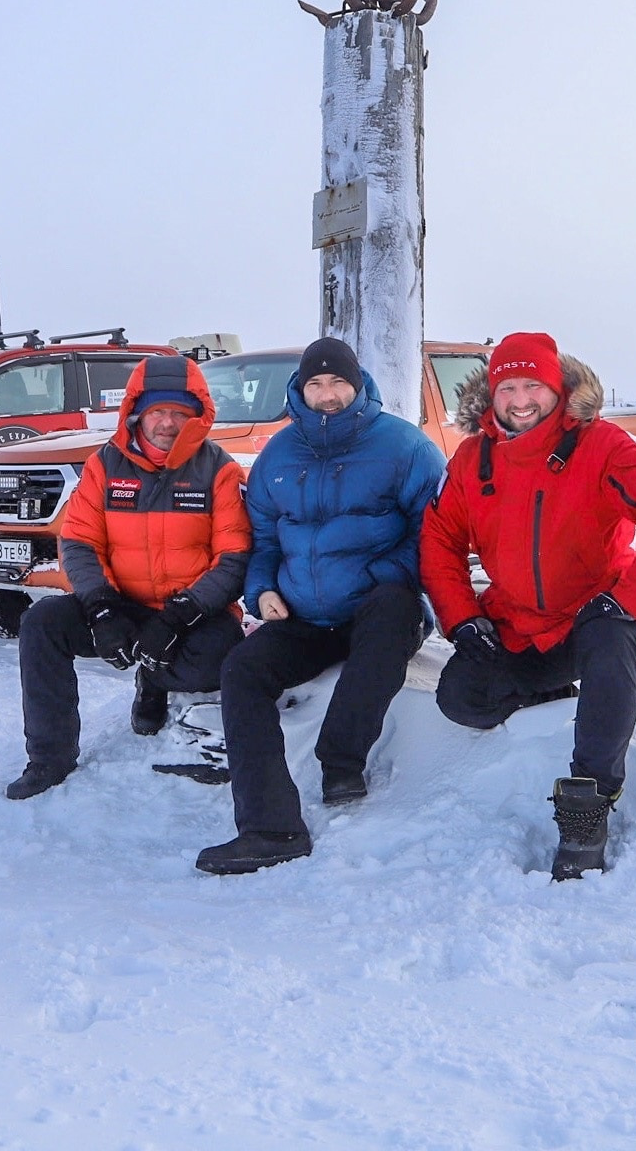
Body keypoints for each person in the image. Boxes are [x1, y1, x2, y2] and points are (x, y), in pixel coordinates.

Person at [420, 331, 636, 879]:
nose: (520, 399)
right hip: (519, 622)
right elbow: (439, 540)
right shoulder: (473, 458)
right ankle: (556, 701)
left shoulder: (602, 444)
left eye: (533, 386)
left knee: (612, 642)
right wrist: (463, 618)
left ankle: (587, 807)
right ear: (490, 394)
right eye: (508, 387)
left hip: (599, 616)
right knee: (460, 697)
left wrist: (629, 599)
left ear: (557, 388)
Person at [195, 337, 446, 874]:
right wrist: (261, 592)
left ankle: (342, 761)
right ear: (300, 389)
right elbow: (261, 539)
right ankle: (271, 827)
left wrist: (375, 576)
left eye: (338, 383)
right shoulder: (278, 456)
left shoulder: (405, 447)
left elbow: (433, 538)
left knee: (390, 614)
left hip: (379, 604)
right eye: (315, 384)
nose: (327, 394)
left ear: (358, 385)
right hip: (304, 614)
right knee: (242, 669)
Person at [5, 354, 251, 799]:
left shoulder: (219, 469)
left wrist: (179, 617)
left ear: (197, 417)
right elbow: (78, 542)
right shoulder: (104, 466)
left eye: (180, 413)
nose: (168, 423)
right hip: (119, 604)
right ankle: (49, 758)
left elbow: (234, 559)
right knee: (41, 625)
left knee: (221, 658)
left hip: (190, 611)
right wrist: (100, 609)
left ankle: (154, 679)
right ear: (138, 412)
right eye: (159, 411)